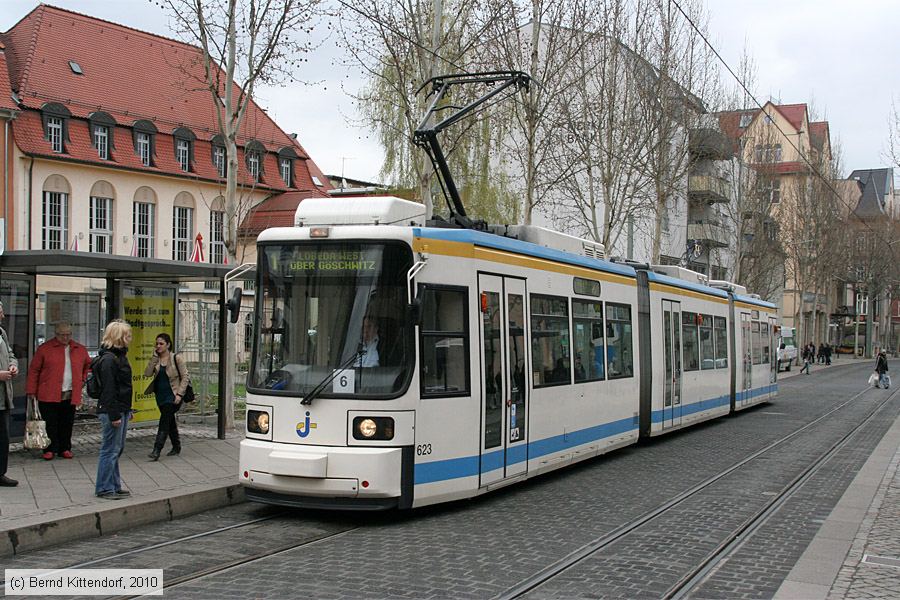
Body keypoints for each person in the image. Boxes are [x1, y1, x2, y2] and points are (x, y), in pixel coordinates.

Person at [25, 322, 91, 460]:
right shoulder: (45, 349)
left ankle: (65, 448)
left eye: (68, 334)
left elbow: (87, 365)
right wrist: (31, 390)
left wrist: (83, 379)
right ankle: (49, 448)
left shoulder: (79, 349)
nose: (65, 337)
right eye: (62, 335)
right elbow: (34, 370)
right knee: (50, 422)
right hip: (48, 392)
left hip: (70, 393)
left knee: (67, 422)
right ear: (56, 334)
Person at [95, 320, 133, 500]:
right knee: (109, 449)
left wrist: (127, 409)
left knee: (117, 448)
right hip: (112, 409)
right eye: (127, 335)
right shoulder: (110, 359)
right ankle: (104, 487)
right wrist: (115, 414)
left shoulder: (119, 357)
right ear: (119, 337)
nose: (130, 339)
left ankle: (114, 484)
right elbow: (109, 389)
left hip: (121, 408)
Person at [144, 333, 188, 460]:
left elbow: (185, 376)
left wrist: (180, 394)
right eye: (157, 343)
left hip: (173, 395)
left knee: (164, 421)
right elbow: (147, 374)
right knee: (169, 420)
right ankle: (176, 445)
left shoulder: (176, 358)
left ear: (168, 345)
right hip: (160, 395)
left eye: (161, 343)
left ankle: (157, 449)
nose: (158, 346)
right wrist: (153, 358)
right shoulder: (156, 359)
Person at [0, 301, 20, 487]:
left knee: (3, 437)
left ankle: (1, 473)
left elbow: (11, 354)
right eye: (0, 312)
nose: (3, 316)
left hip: (4, 396)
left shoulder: (2, 333)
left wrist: (13, 365)